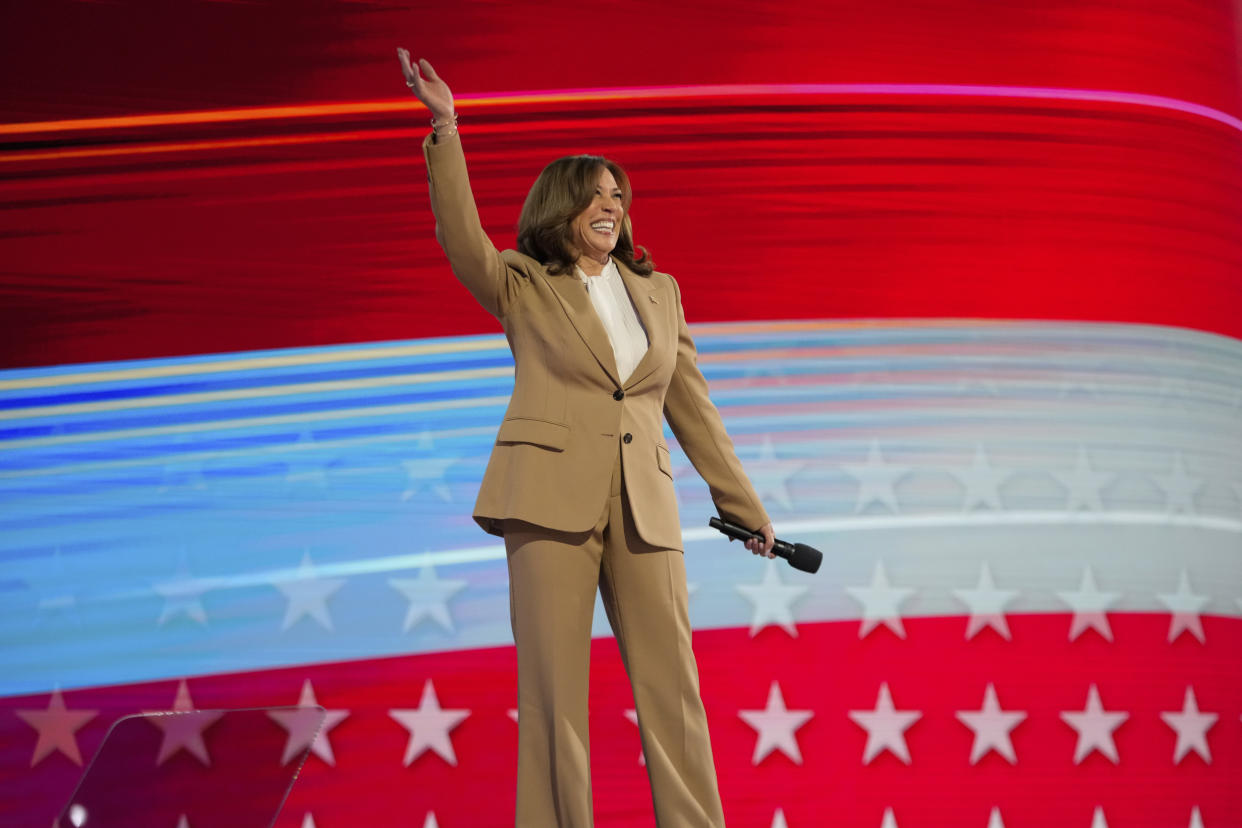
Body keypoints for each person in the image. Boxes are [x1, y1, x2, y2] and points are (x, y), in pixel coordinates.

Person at [397, 50, 776, 828]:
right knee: (553, 695)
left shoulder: (658, 292)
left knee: (675, 692)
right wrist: (446, 127)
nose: (613, 204)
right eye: (596, 194)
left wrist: (746, 510)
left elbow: (694, 410)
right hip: (546, 501)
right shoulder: (522, 283)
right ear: (561, 206)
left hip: (646, 504)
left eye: (620, 195)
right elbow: (461, 237)